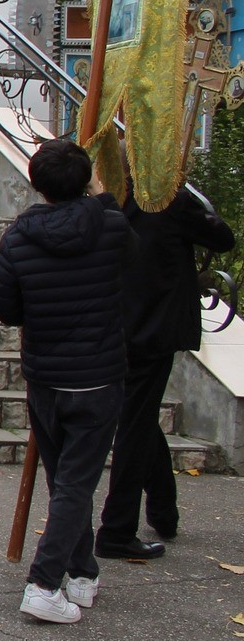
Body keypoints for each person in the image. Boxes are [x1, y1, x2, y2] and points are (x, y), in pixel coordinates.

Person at [0, 137, 132, 624]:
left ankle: (81, 570)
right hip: (97, 375)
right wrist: (103, 194)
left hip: (47, 375)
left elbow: (6, 309)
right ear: (86, 179)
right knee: (75, 483)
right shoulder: (111, 225)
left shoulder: (18, 236)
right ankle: (45, 582)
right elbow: (132, 269)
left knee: (67, 481)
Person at [101, 184, 233, 557]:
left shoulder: (106, 199)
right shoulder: (166, 199)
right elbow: (222, 237)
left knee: (137, 416)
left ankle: (162, 507)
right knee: (135, 422)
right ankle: (117, 528)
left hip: (112, 325)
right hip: (150, 327)